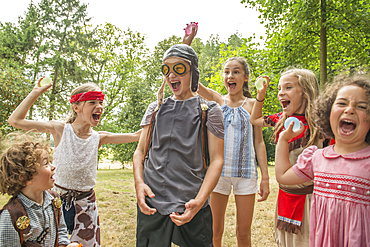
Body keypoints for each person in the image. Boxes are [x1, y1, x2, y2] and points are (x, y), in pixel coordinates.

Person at [7, 81, 141, 246]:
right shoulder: (61, 129)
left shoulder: (98, 138)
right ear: (76, 107)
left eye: (100, 102)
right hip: (56, 202)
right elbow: (15, 120)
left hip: (86, 205)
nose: (99, 106)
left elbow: (137, 135)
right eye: (92, 102)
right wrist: (36, 92)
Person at [183, 25, 269, 247]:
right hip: (219, 174)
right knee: (214, 232)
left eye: (236, 72)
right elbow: (192, 81)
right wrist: (187, 43)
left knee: (243, 234)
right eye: (227, 72)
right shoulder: (216, 102)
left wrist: (266, 178)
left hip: (246, 175)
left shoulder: (252, 104)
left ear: (246, 77)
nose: (230, 76)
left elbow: (259, 142)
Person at [133, 43, 224, 247]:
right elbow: (139, 152)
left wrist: (200, 201)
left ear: (193, 71)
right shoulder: (155, 108)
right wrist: (139, 184)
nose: (171, 75)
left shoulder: (210, 110)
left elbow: (217, 160)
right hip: (153, 202)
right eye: (166, 69)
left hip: (190, 203)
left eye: (179, 68)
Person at [275, 73, 370, 247]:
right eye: (341, 103)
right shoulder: (318, 158)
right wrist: (282, 140)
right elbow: (282, 176)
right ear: (327, 111)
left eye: (361, 106)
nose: (349, 109)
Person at [250, 68, 322, 246]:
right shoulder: (281, 120)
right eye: (279, 89)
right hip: (285, 198)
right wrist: (261, 95)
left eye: (288, 87)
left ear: (305, 91)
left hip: (310, 201)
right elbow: (255, 120)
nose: (281, 93)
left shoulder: (320, 125)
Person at [0, 135, 77, 246]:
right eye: (46, 163)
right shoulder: (11, 216)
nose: (53, 167)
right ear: (25, 177)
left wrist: (64, 245)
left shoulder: (54, 200)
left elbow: (60, 231)